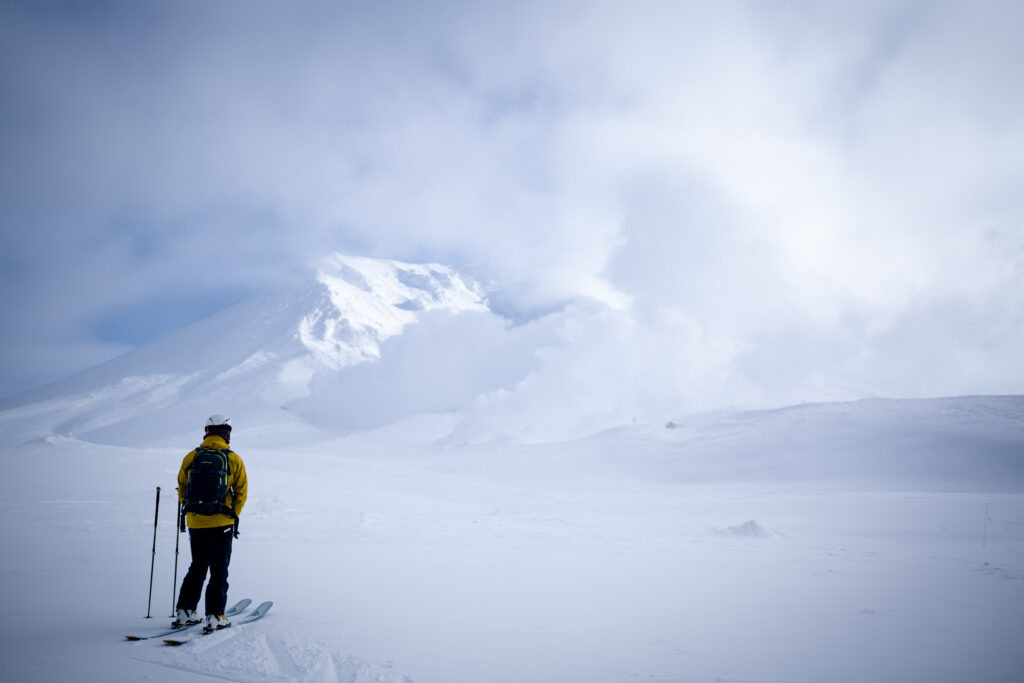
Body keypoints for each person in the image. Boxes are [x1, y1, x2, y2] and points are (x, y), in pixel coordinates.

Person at [173, 414, 248, 632]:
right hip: (221, 524)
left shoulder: (191, 457)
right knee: (218, 570)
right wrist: (231, 515)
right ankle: (215, 616)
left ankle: (185, 612)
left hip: (196, 523)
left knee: (197, 567)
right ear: (227, 434)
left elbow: (182, 487)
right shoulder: (233, 459)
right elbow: (241, 493)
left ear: (207, 431)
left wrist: (193, 511)